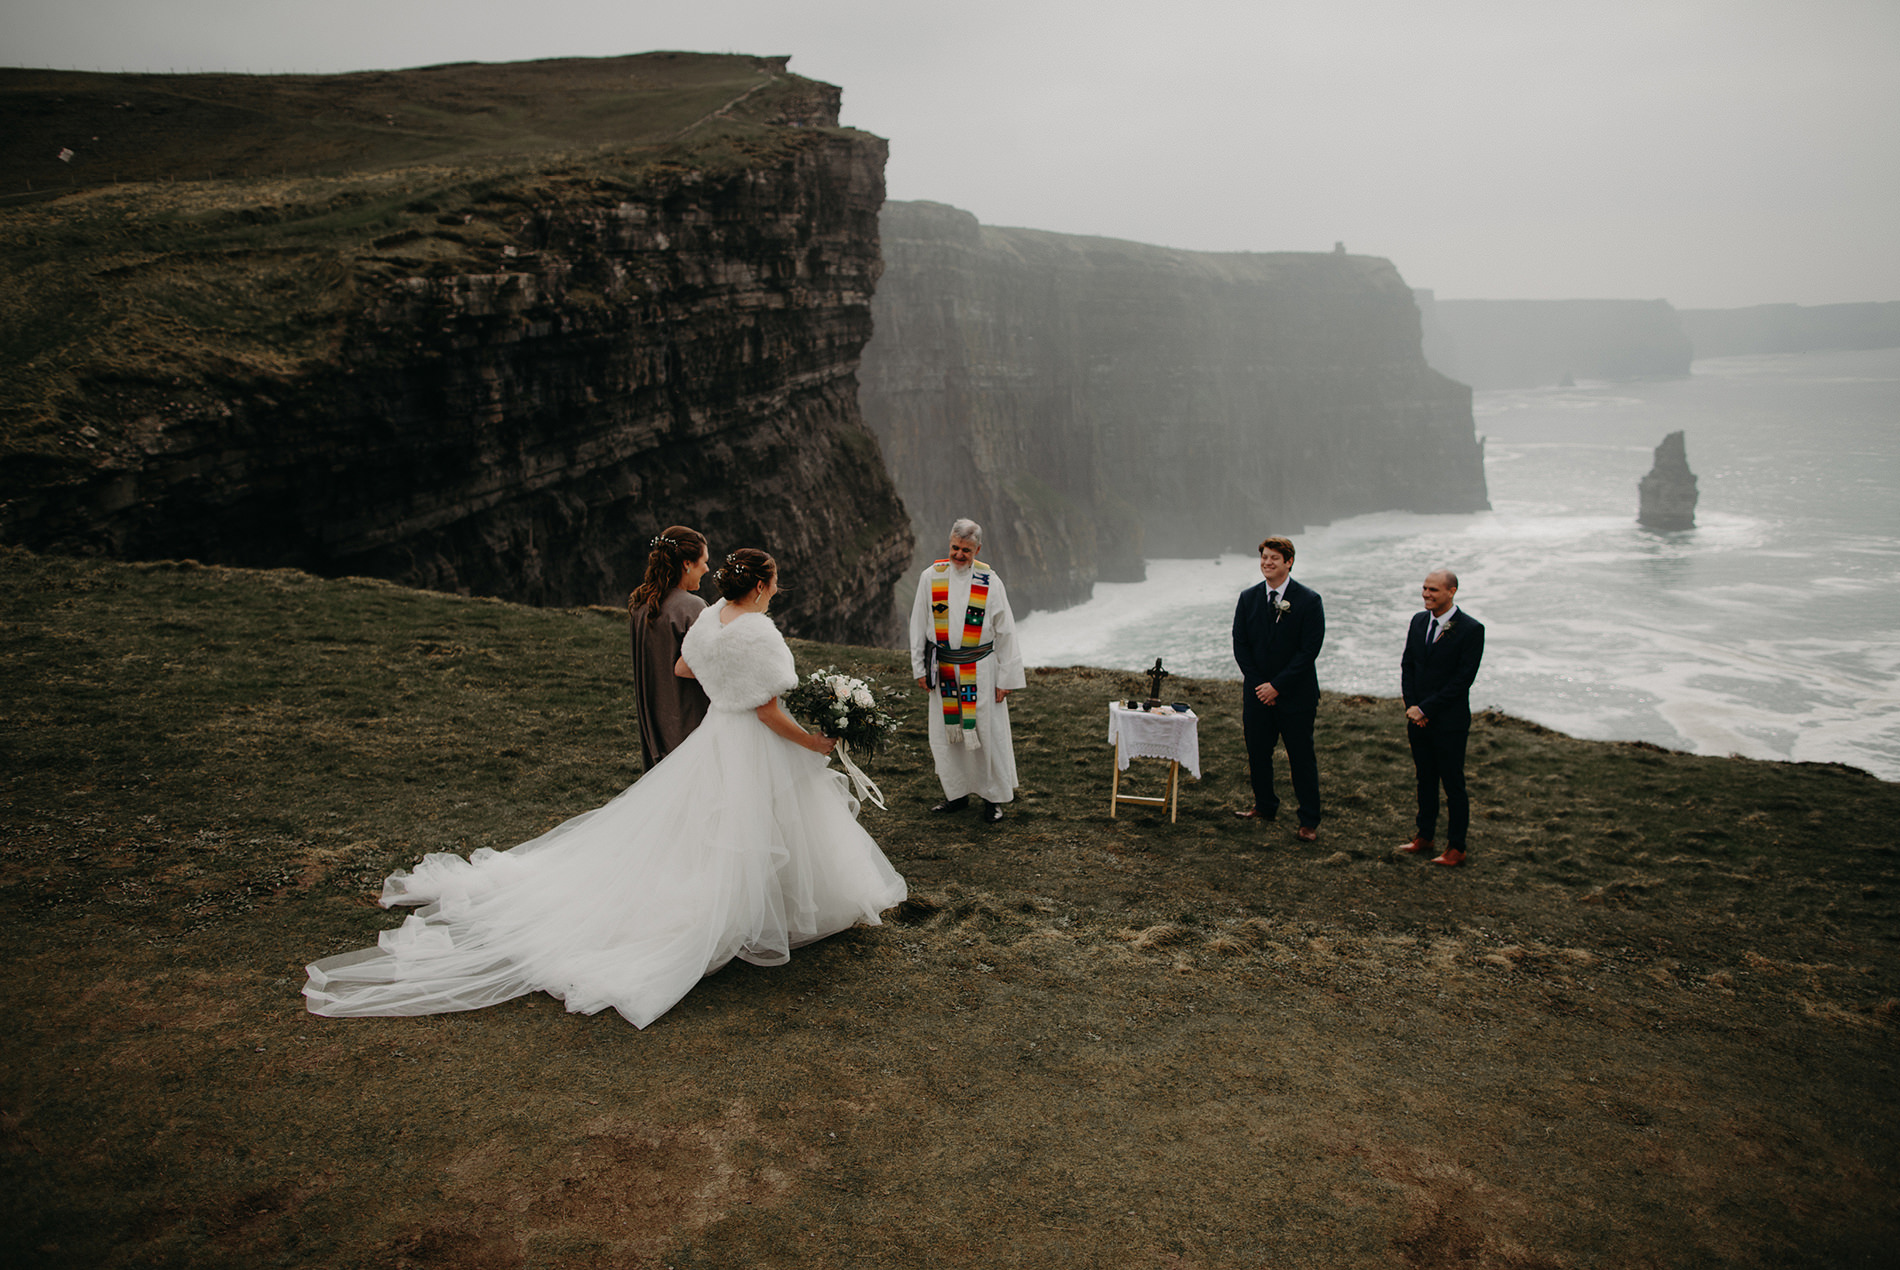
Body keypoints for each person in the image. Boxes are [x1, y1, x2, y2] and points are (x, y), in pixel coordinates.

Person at [303, 548, 907, 1029]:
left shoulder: (710, 622)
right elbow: (771, 710)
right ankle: (757, 917)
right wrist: (813, 743)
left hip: (714, 737)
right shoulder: (759, 631)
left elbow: (682, 670)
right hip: (750, 741)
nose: (776, 592)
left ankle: (753, 907)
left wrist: (727, 690)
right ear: (758, 587)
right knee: (765, 823)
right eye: (774, 584)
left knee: (716, 830)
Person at [909, 519, 1024, 824]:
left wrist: (1006, 678)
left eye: (966, 550)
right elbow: (918, 625)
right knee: (948, 737)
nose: (959, 555)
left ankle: (993, 798)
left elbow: (1006, 631)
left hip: (981, 670)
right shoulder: (930, 578)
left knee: (988, 735)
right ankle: (955, 794)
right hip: (944, 669)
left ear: (978, 549)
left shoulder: (990, 582)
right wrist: (919, 668)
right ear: (950, 544)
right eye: (955, 548)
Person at [1231, 535, 1325, 841]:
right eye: (1264, 558)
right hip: (1257, 694)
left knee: (1301, 757)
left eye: (1274, 558)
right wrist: (1261, 685)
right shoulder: (1247, 598)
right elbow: (1241, 644)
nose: (1267, 563)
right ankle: (1265, 805)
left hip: (1296, 695)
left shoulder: (1309, 601)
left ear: (1289, 562)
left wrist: (1278, 686)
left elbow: (1309, 650)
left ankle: (1308, 820)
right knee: (1258, 752)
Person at [1398, 568, 1486, 867]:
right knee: (1424, 779)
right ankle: (1424, 835)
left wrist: (1426, 709)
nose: (1426, 594)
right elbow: (1408, 665)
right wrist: (1413, 707)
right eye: (1424, 588)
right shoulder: (1418, 621)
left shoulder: (1472, 629)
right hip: (1417, 718)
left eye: (1433, 590)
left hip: (1449, 722)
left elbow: (1462, 680)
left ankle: (1456, 847)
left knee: (1453, 784)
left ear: (1451, 592)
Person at [627, 525, 712, 769]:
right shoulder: (691, 608)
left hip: (655, 728)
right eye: (703, 562)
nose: (706, 569)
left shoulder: (641, 607)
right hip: (689, 725)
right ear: (687, 563)